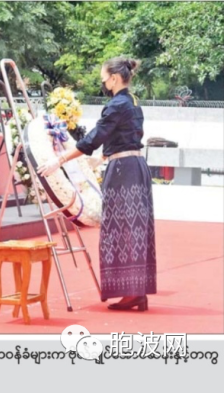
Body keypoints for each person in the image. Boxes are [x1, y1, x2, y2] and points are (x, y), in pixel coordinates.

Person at [37, 57, 154, 312]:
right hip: (135, 167)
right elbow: (125, 137)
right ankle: (137, 291)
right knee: (133, 228)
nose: (102, 83)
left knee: (120, 229)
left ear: (113, 78)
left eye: (103, 78)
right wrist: (100, 158)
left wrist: (60, 160)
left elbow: (94, 138)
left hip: (123, 172)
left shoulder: (117, 105)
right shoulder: (133, 102)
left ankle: (132, 292)